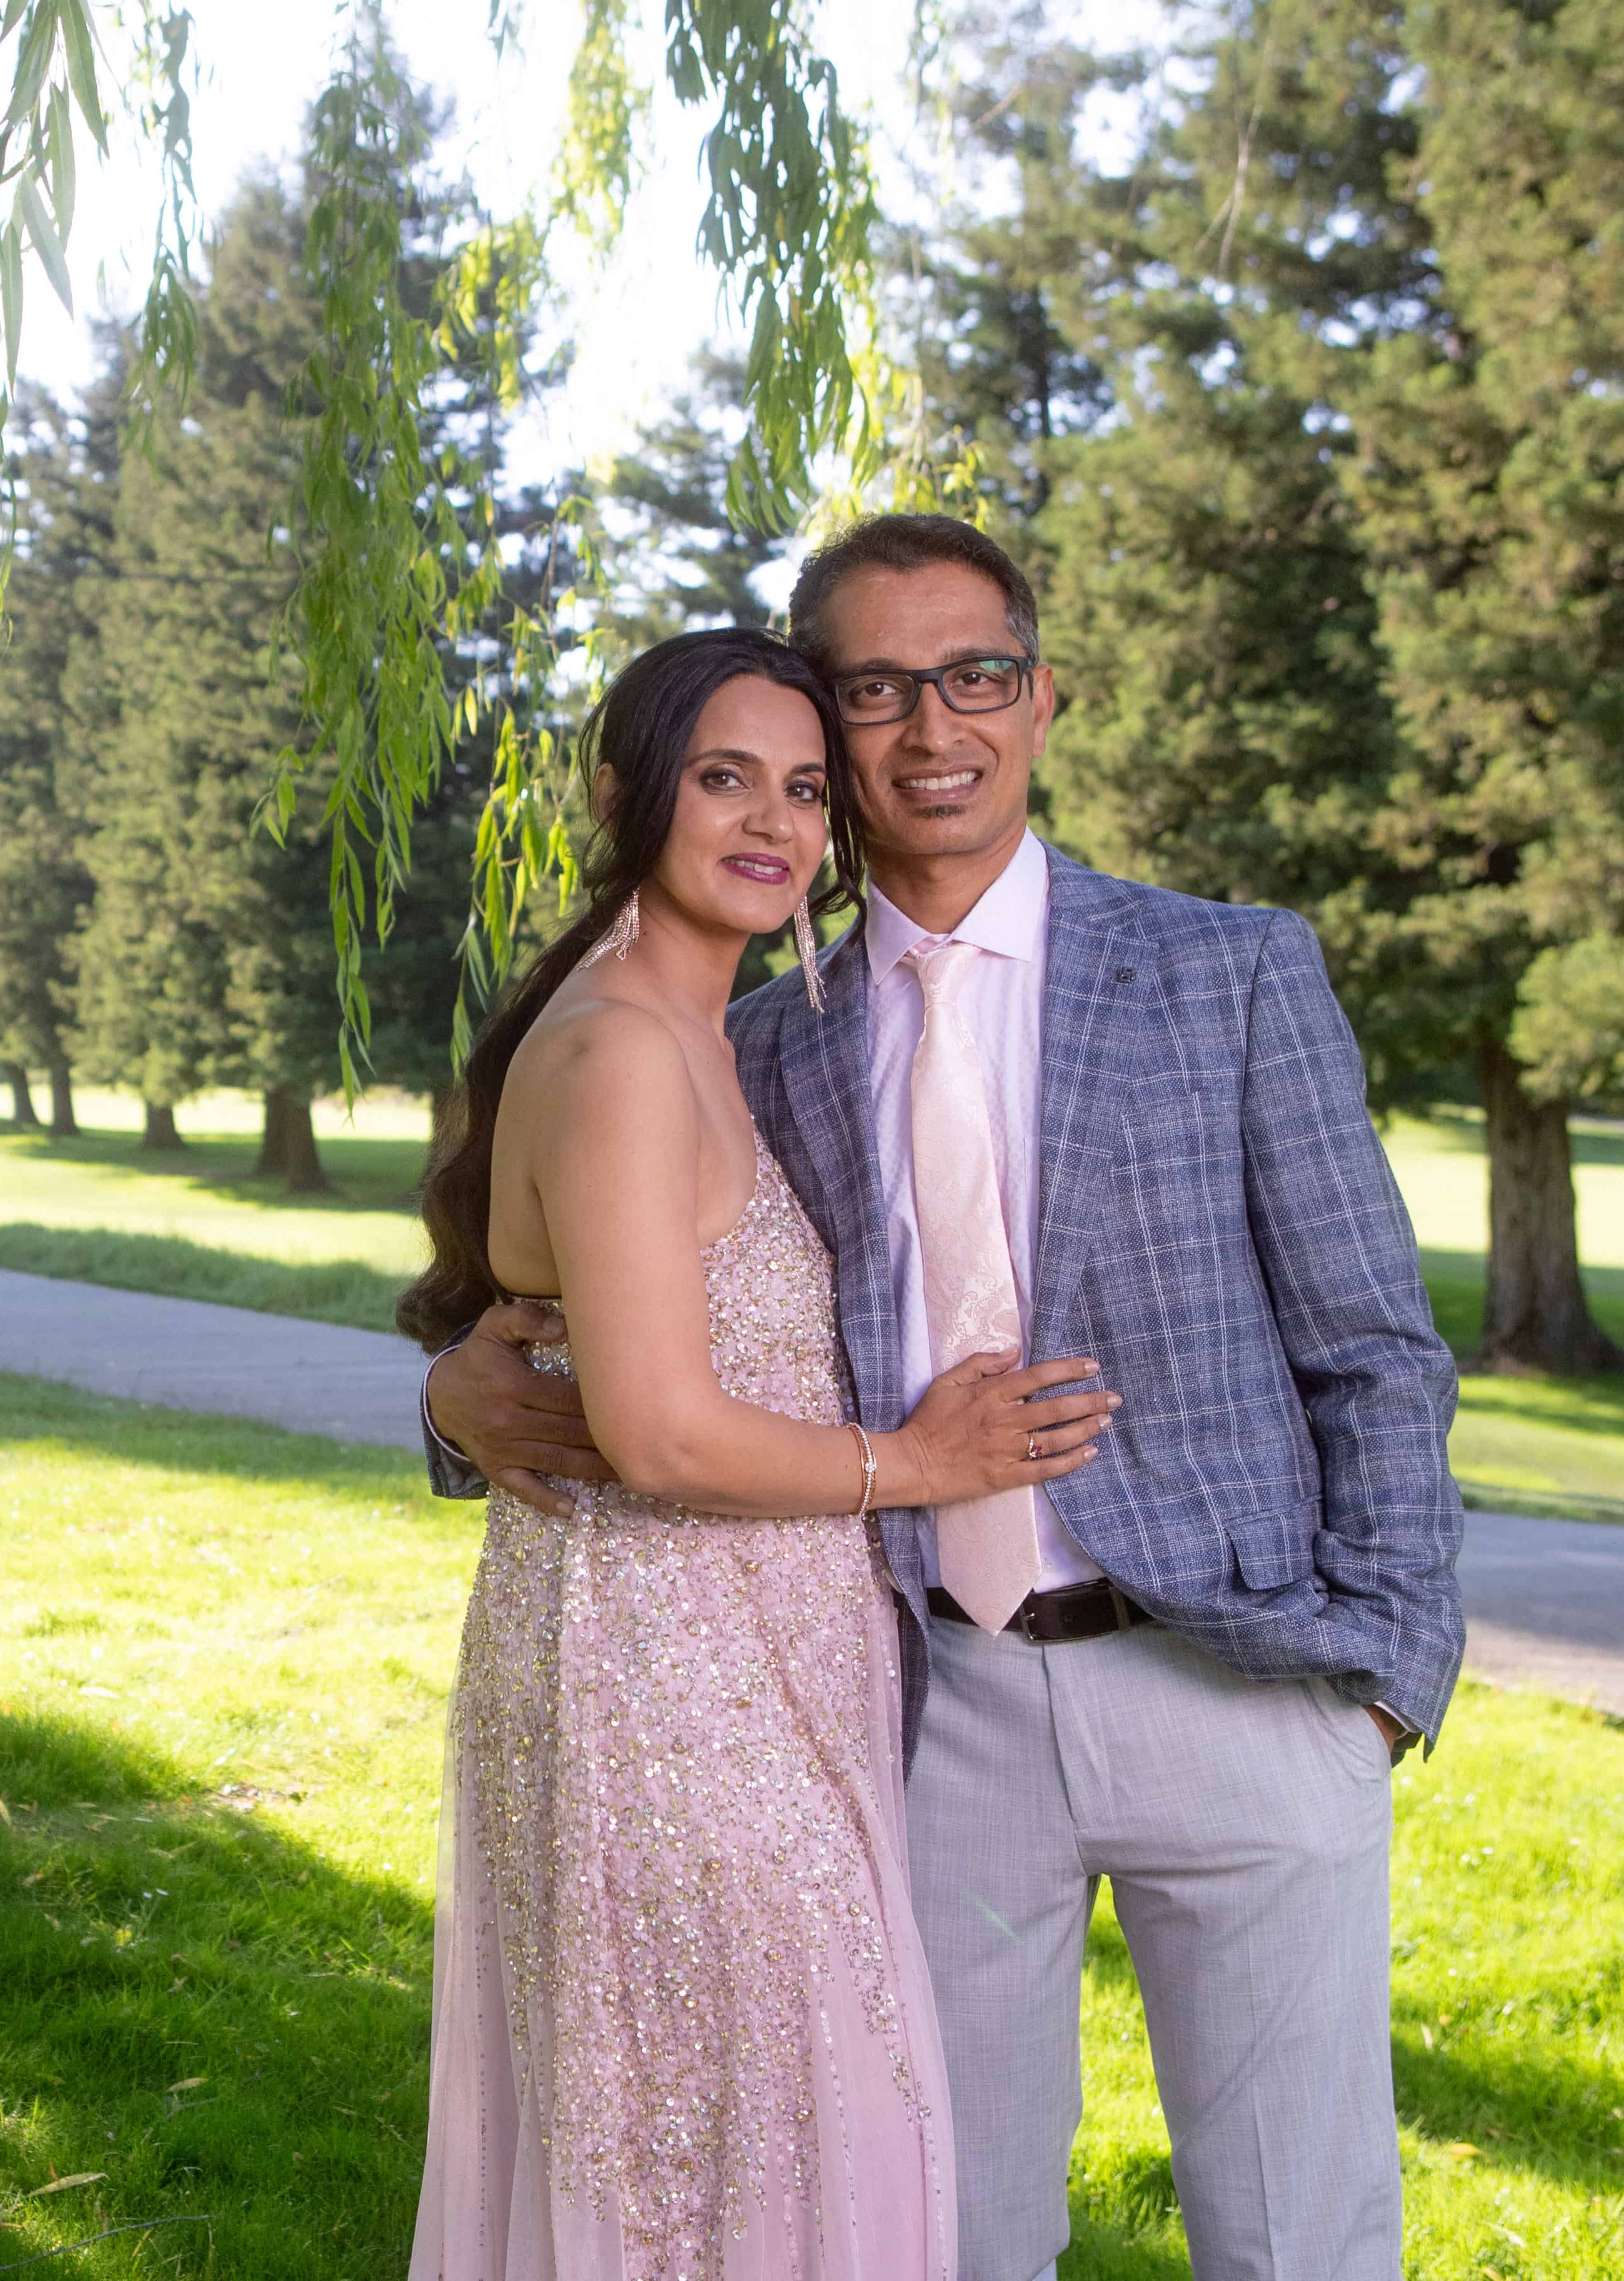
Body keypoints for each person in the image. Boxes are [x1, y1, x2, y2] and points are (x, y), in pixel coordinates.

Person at [426, 518, 1465, 2281]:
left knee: (1300, 2241)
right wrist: (461, 1400)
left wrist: (1386, 1679)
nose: (933, 729)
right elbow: (612, 1322)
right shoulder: (755, 1034)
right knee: (939, 2234)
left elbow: (1375, 1345)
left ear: (1042, 697)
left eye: (974, 676)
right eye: (877, 691)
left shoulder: (1231, 972)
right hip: (936, 1710)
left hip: (1245, 1685)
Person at [399, 626, 1126, 2281]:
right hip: (668, 1693)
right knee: (752, 2144)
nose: (774, 823)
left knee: (766, 2138)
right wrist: (915, 1461)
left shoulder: (715, 1029)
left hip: (756, 1670)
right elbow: (654, 1431)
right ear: (625, 794)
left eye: (805, 789)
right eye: (725, 777)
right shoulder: (622, 1053)